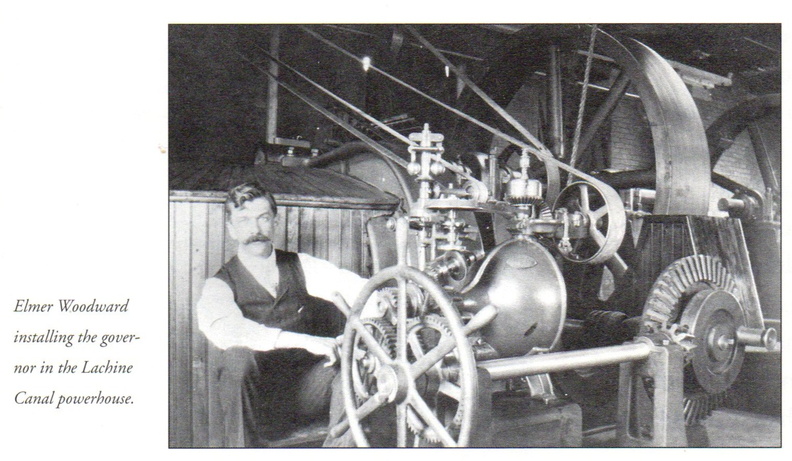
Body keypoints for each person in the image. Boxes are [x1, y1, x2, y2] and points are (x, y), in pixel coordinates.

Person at [196, 181, 376, 447]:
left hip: (308, 393)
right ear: (231, 229)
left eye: (263, 218)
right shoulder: (219, 284)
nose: (255, 230)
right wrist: (306, 341)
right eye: (244, 221)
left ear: (275, 222)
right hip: (257, 406)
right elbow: (227, 331)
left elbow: (358, 290)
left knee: (350, 363)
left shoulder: (301, 265)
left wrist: (372, 321)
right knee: (237, 357)